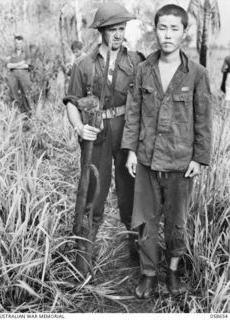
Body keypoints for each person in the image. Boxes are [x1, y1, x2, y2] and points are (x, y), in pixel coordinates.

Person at [121, 4, 212, 298]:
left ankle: (171, 271)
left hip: (180, 163)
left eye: (174, 28)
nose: (168, 35)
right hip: (147, 160)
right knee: (146, 220)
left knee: (176, 223)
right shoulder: (143, 69)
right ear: (155, 30)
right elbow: (133, 113)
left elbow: (203, 119)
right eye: (163, 28)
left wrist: (200, 158)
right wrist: (131, 151)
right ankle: (148, 273)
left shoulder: (197, 74)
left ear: (184, 33)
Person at [63, 2, 145, 272]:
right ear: (102, 31)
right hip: (96, 132)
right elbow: (72, 102)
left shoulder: (136, 61)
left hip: (127, 131)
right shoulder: (84, 65)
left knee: (132, 192)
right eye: (113, 29)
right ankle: (83, 261)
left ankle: (139, 256)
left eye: (122, 28)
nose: (119, 34)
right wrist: (79, 127)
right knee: (92, 194)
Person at [6, 35, 32, 115]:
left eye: (20, 43)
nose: (18, 45)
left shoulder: (27, 53)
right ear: (15, 43)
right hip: (13, 76)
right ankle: (17, 114)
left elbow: (27, 65)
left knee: (26, 94)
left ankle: (28, 114)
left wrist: (14, 65)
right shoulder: (10, 52)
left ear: (22, 43)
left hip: (24, 76)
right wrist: (20, 63)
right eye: (17, 43)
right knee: (14, 94)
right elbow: (8, 65)